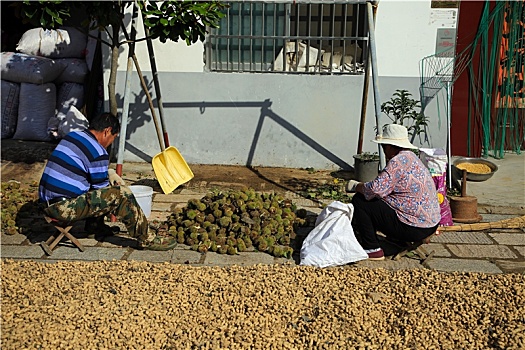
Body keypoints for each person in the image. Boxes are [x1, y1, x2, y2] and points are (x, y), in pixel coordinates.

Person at [38, 112, 177, 251]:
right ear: (107, 131)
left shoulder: (72, 136)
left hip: (45, 203)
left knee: (97, 190)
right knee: (121, 194)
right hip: (61, 209)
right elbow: (102, 191)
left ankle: (94, 227)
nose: (111, 142)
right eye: (113, 137)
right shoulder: (97, 151)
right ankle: (147, 238)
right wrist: (116, 187)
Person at [346, 124, 441, 260]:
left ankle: (372, 248)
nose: (384, 150)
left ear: (390, 146)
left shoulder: (397, 162)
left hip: (415, 227)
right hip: (431, 223)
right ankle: (394, 239)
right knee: (376, 201)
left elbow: (375, 189)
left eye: (384, 146)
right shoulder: (411, 157)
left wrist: (357, 186)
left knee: (360, 201)